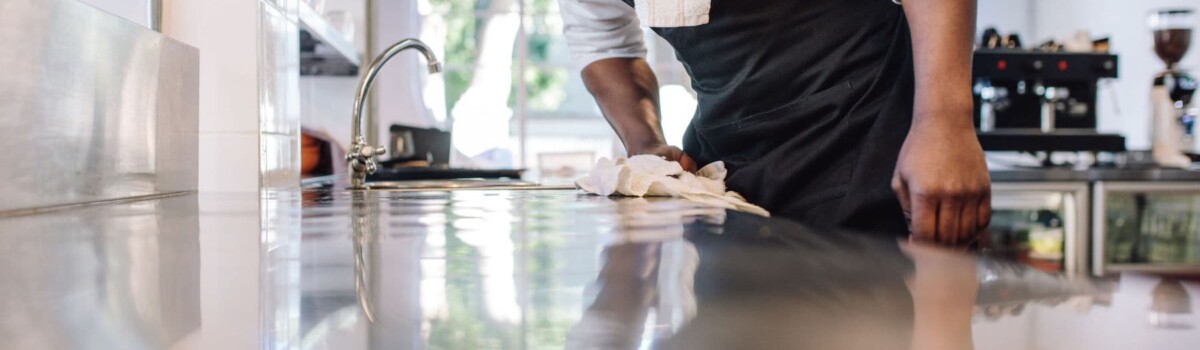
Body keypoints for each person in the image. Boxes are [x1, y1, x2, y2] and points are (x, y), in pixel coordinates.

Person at [560, 0, 991, 244]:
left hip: (868, 139)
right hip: (727, 174)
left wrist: (944, 120)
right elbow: (603, 39)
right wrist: (645, 142)